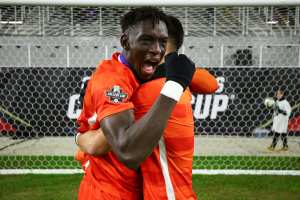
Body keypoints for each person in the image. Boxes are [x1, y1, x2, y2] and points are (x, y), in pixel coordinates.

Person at [76, 14, 218, 199]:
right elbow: (211, 84)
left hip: (116, 190)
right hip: (117, 189)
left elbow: (98, 146)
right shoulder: (167, 81)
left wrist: (80, 137)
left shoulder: (149, 91)